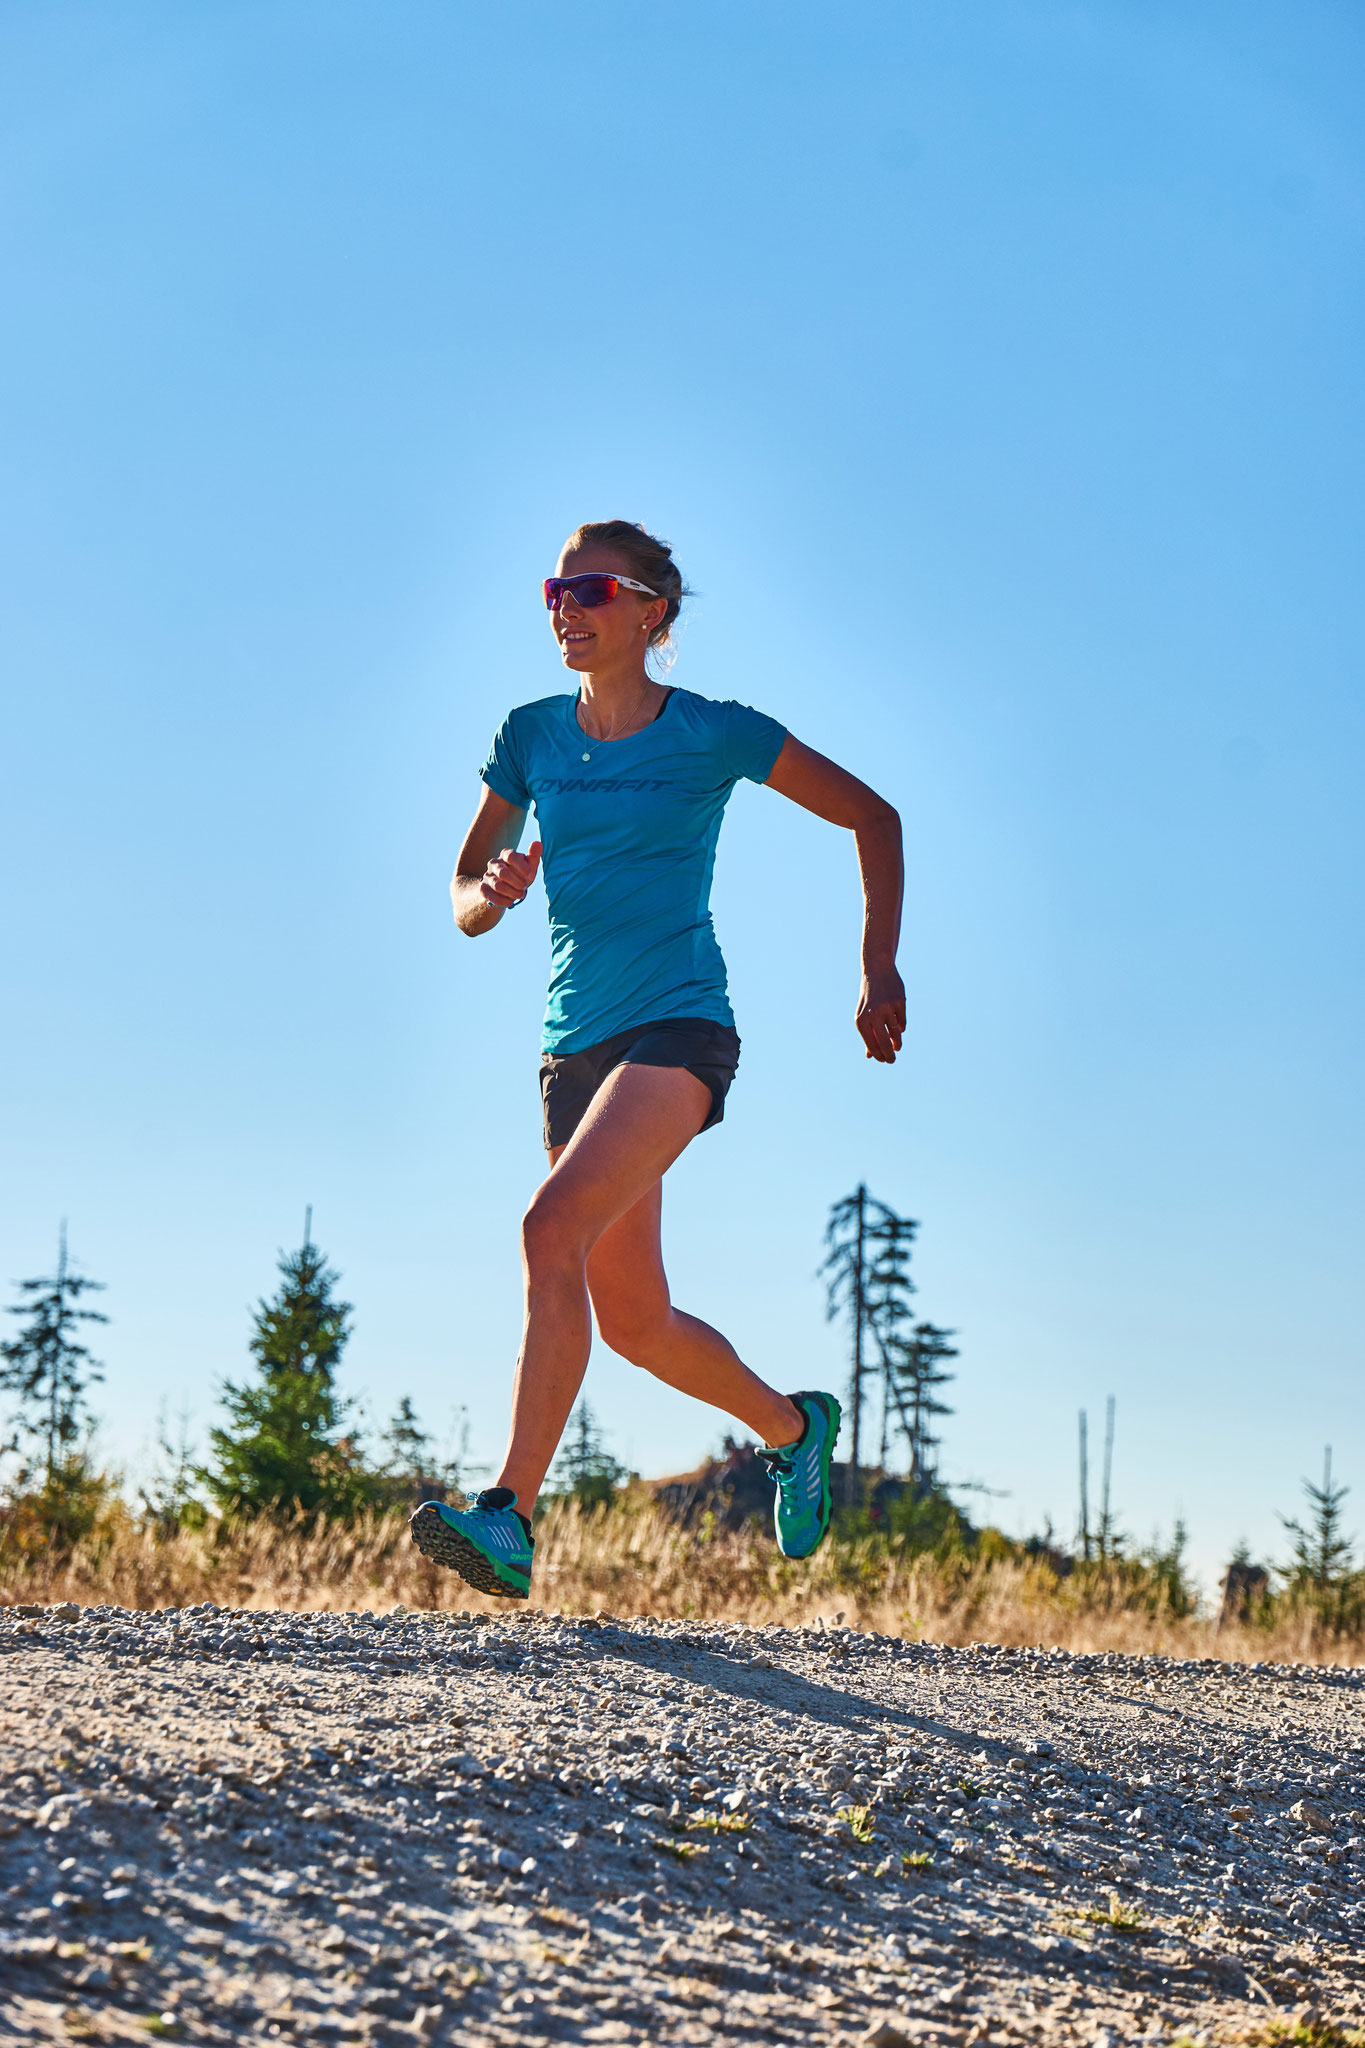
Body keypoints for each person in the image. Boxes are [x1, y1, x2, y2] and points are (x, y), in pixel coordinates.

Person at [410, 520, 905, 1599]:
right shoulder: (530, 735)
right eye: (553, 588)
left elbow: (874, 816)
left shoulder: (716, 734)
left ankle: (507, 1516)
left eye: (588, 588)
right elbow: (460, 889)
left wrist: (878, 968)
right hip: (572, 1044)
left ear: (652, 611)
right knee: (632, 1320)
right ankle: (792, 1425)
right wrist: (486, 897)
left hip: (681, 1027)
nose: (564, 608)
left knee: (548, 1228)